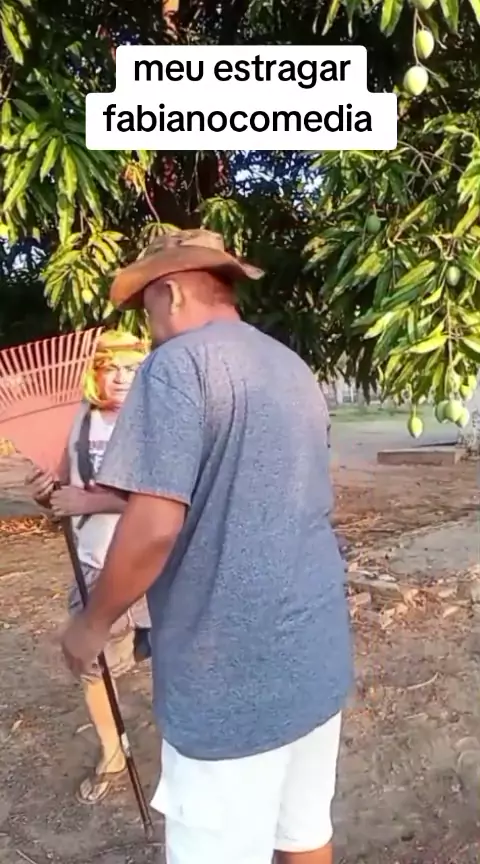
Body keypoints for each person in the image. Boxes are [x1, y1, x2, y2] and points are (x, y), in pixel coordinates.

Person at [60, 230, 353, 864]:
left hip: (228, 676)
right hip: (315, 653)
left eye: (147, 311)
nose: (150, 331)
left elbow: (154, 525)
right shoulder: (290, 366)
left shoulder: (178, 365)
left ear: (170, 293)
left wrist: (93, 622)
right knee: (304, 832)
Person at [26, 329, 151, 805]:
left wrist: (92, 501)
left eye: (132, 368)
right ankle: (112, 751)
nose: (121, 377)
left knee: (176, 655)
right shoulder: (75, 422)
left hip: (156, 563)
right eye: (111, 368)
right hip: (95, 565)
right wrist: (47, 494)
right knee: (94, 666)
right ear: (94, 374)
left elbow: (169, 500)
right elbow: (60, 488)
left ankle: (191, 748)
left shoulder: (157, 421)